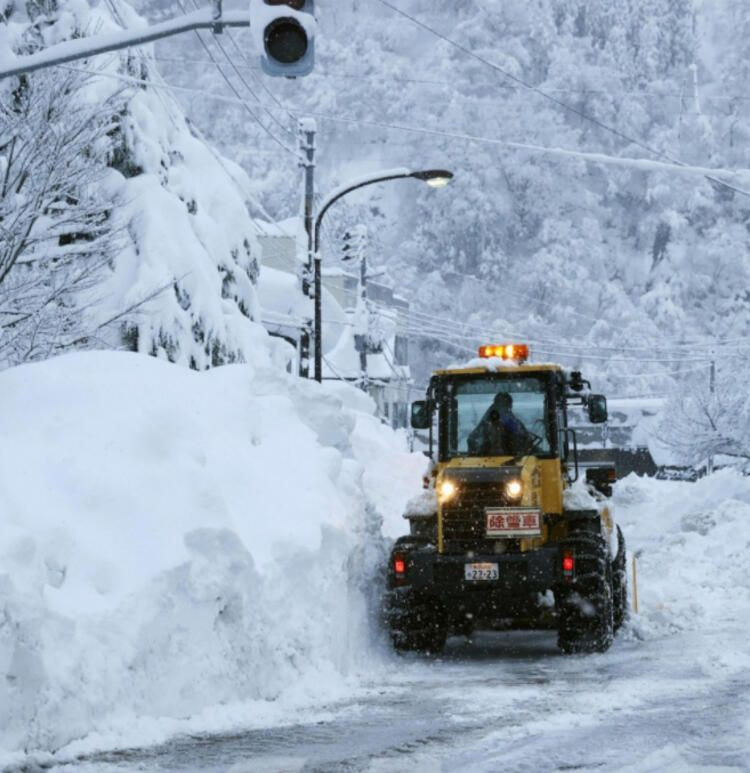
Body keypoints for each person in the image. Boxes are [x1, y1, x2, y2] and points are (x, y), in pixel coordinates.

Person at [467, 392, 532, 457]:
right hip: (505, 461)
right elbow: (522, 436)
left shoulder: (488, 420)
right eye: (508, 405)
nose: (510, 408)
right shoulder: (507, 420)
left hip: (493, 460)